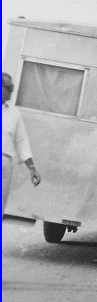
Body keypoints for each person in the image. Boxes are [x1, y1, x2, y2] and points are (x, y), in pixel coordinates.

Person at [2, 72, 41, 216]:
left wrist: (32, 168)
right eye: (9, 88)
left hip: (4, 164)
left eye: (12, 88)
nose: (12, 91)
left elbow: (22, 142)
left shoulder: (14, 113)